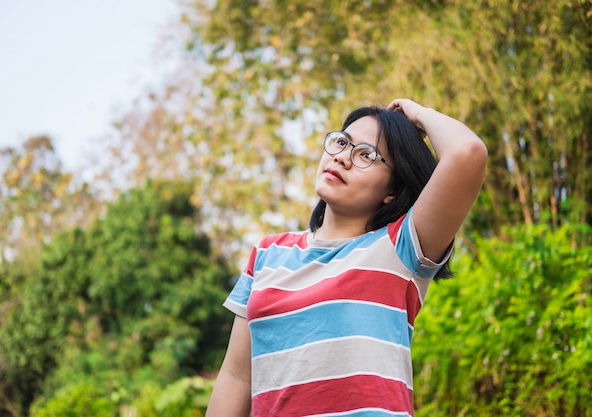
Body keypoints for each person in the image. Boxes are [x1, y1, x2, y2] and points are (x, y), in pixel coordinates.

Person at [206, 98, 488, 417]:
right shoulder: (268, 253)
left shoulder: (400, 247)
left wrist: (420, 115)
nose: (342, 158)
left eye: (367, 155)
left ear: (392, 190)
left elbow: (468, 154)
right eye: (341, 142)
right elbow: (237, 377)